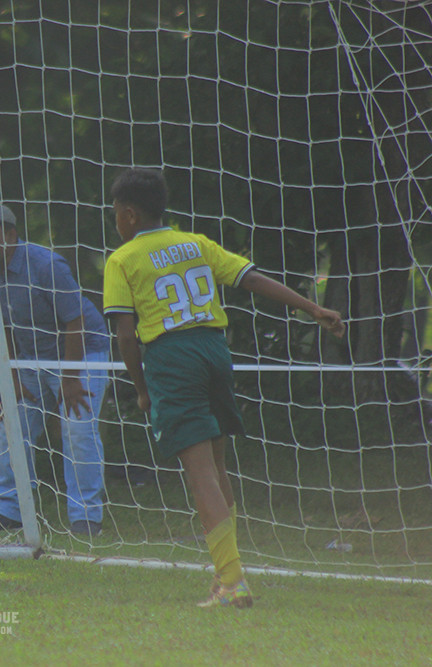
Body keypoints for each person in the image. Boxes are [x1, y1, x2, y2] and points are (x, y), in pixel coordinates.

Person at [103, 168, 345, 608]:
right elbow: (251, 279)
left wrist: (141, 388)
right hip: (215, 351)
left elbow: (125, 332)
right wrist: (313, 307)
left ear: (129, 214)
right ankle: (224, 574)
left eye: (115, 214)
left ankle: (232, 579)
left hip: (172, 358)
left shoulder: (122, 259)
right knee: (217, 467)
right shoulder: (196, 243)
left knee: (199, 476)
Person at [0, 204, 110, 537]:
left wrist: (70, 378)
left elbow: (74, 321)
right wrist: (12, 379)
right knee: (11, 425)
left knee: (77, 429)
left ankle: (86, 517)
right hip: (29, 357)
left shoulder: (46, 265)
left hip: (81, 351)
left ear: (11, 234)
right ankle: (11, 511)